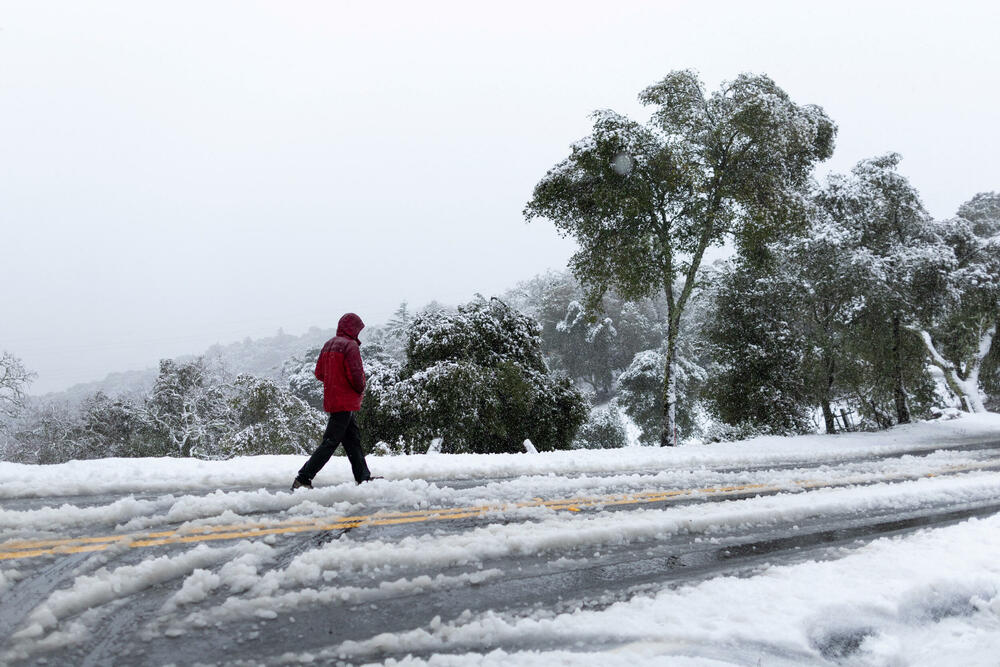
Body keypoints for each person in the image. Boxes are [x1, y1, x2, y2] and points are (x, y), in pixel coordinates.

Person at [292, 312, 374, 489]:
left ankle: (364, 478)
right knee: (330, 443)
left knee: (353, 441)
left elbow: (319, 373)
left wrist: (334, 381)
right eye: (358, 330)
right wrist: (360, 388)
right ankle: (303, 478)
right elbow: (356, 375)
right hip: (345, 401)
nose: (358, 334)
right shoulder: (350, 346)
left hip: (333, 400)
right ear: (352, 329)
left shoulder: (329, 344)